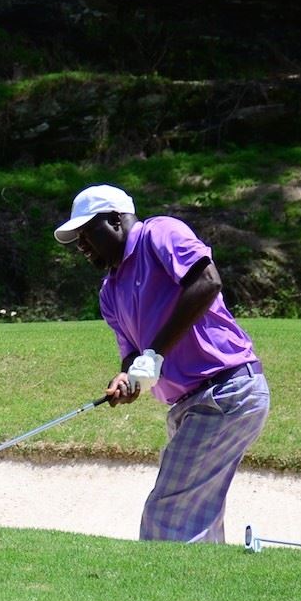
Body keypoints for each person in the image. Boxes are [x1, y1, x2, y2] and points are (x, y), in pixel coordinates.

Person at [54, 184, 270, 543]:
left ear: (115, 220)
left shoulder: (159, 233)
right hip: (191, 405)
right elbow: (133, 355)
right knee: (197, 515)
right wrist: (127, 376)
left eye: (87, 232)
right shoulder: (110, 292)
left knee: (167, 514)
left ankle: (162, 598)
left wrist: (154, 354)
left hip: (226, 391)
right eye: (77, 238)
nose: (81, 245)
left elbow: (207, 281)